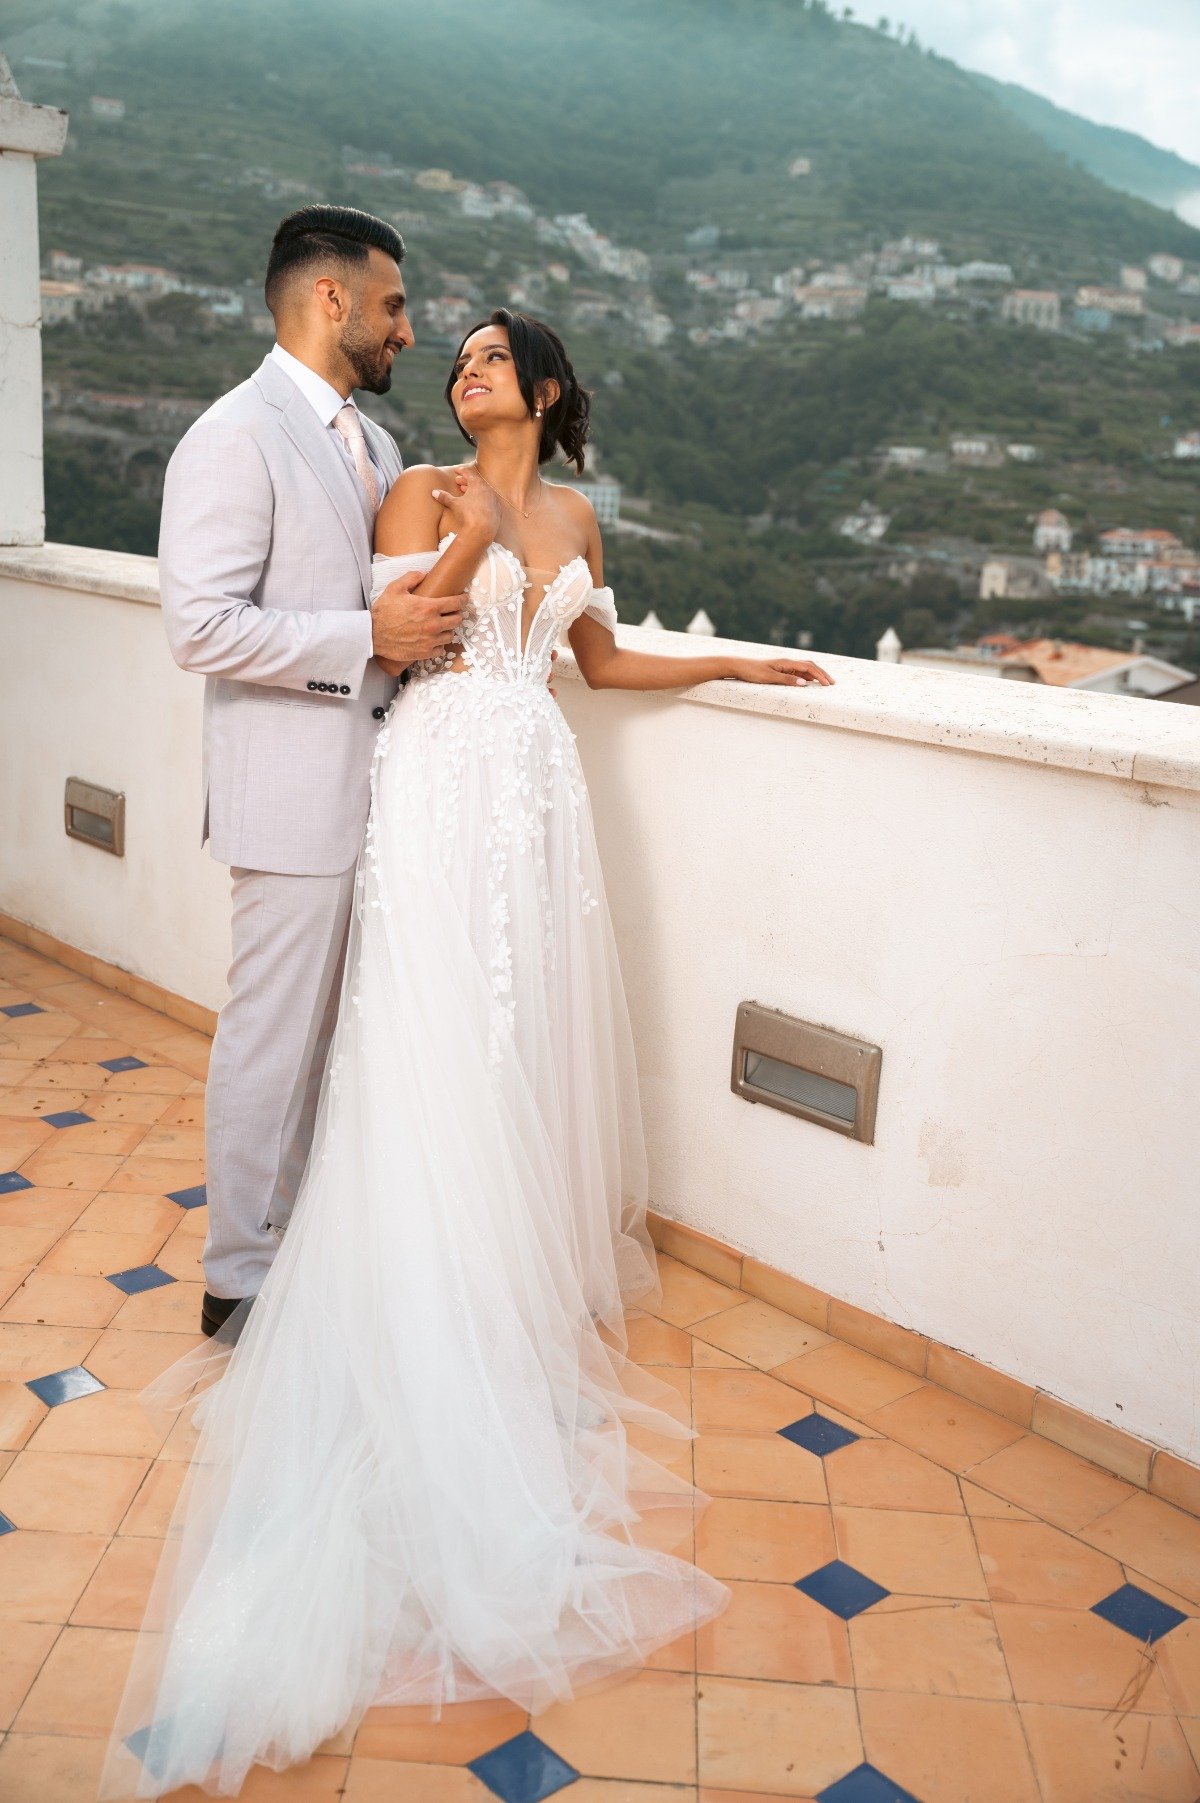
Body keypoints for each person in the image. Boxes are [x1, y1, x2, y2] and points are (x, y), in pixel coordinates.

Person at [102, 307, 833, 1799]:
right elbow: (415, 631)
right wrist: (469, 526)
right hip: (433, 780)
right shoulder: (419, 488)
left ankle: (505, 1273)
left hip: (534, 792)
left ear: (549, 387)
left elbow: (598, 664)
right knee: (422, 1027)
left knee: (515, 1039)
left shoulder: (582, 516)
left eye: (497, 355)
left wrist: (741, 665)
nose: (467, 367)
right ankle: (400, 1277)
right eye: (460, 354)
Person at [158, 205, 472, 1336]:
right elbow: (200, 625)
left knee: (341, 1044)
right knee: (272, 1041)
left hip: (390, 798)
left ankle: (307, 1246)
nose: (407, 329)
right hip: (289, 798)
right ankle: (236, 1275)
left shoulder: (380, 448)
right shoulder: (231, 436)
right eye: (392, 304)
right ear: (331, 299)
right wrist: (362, 641)